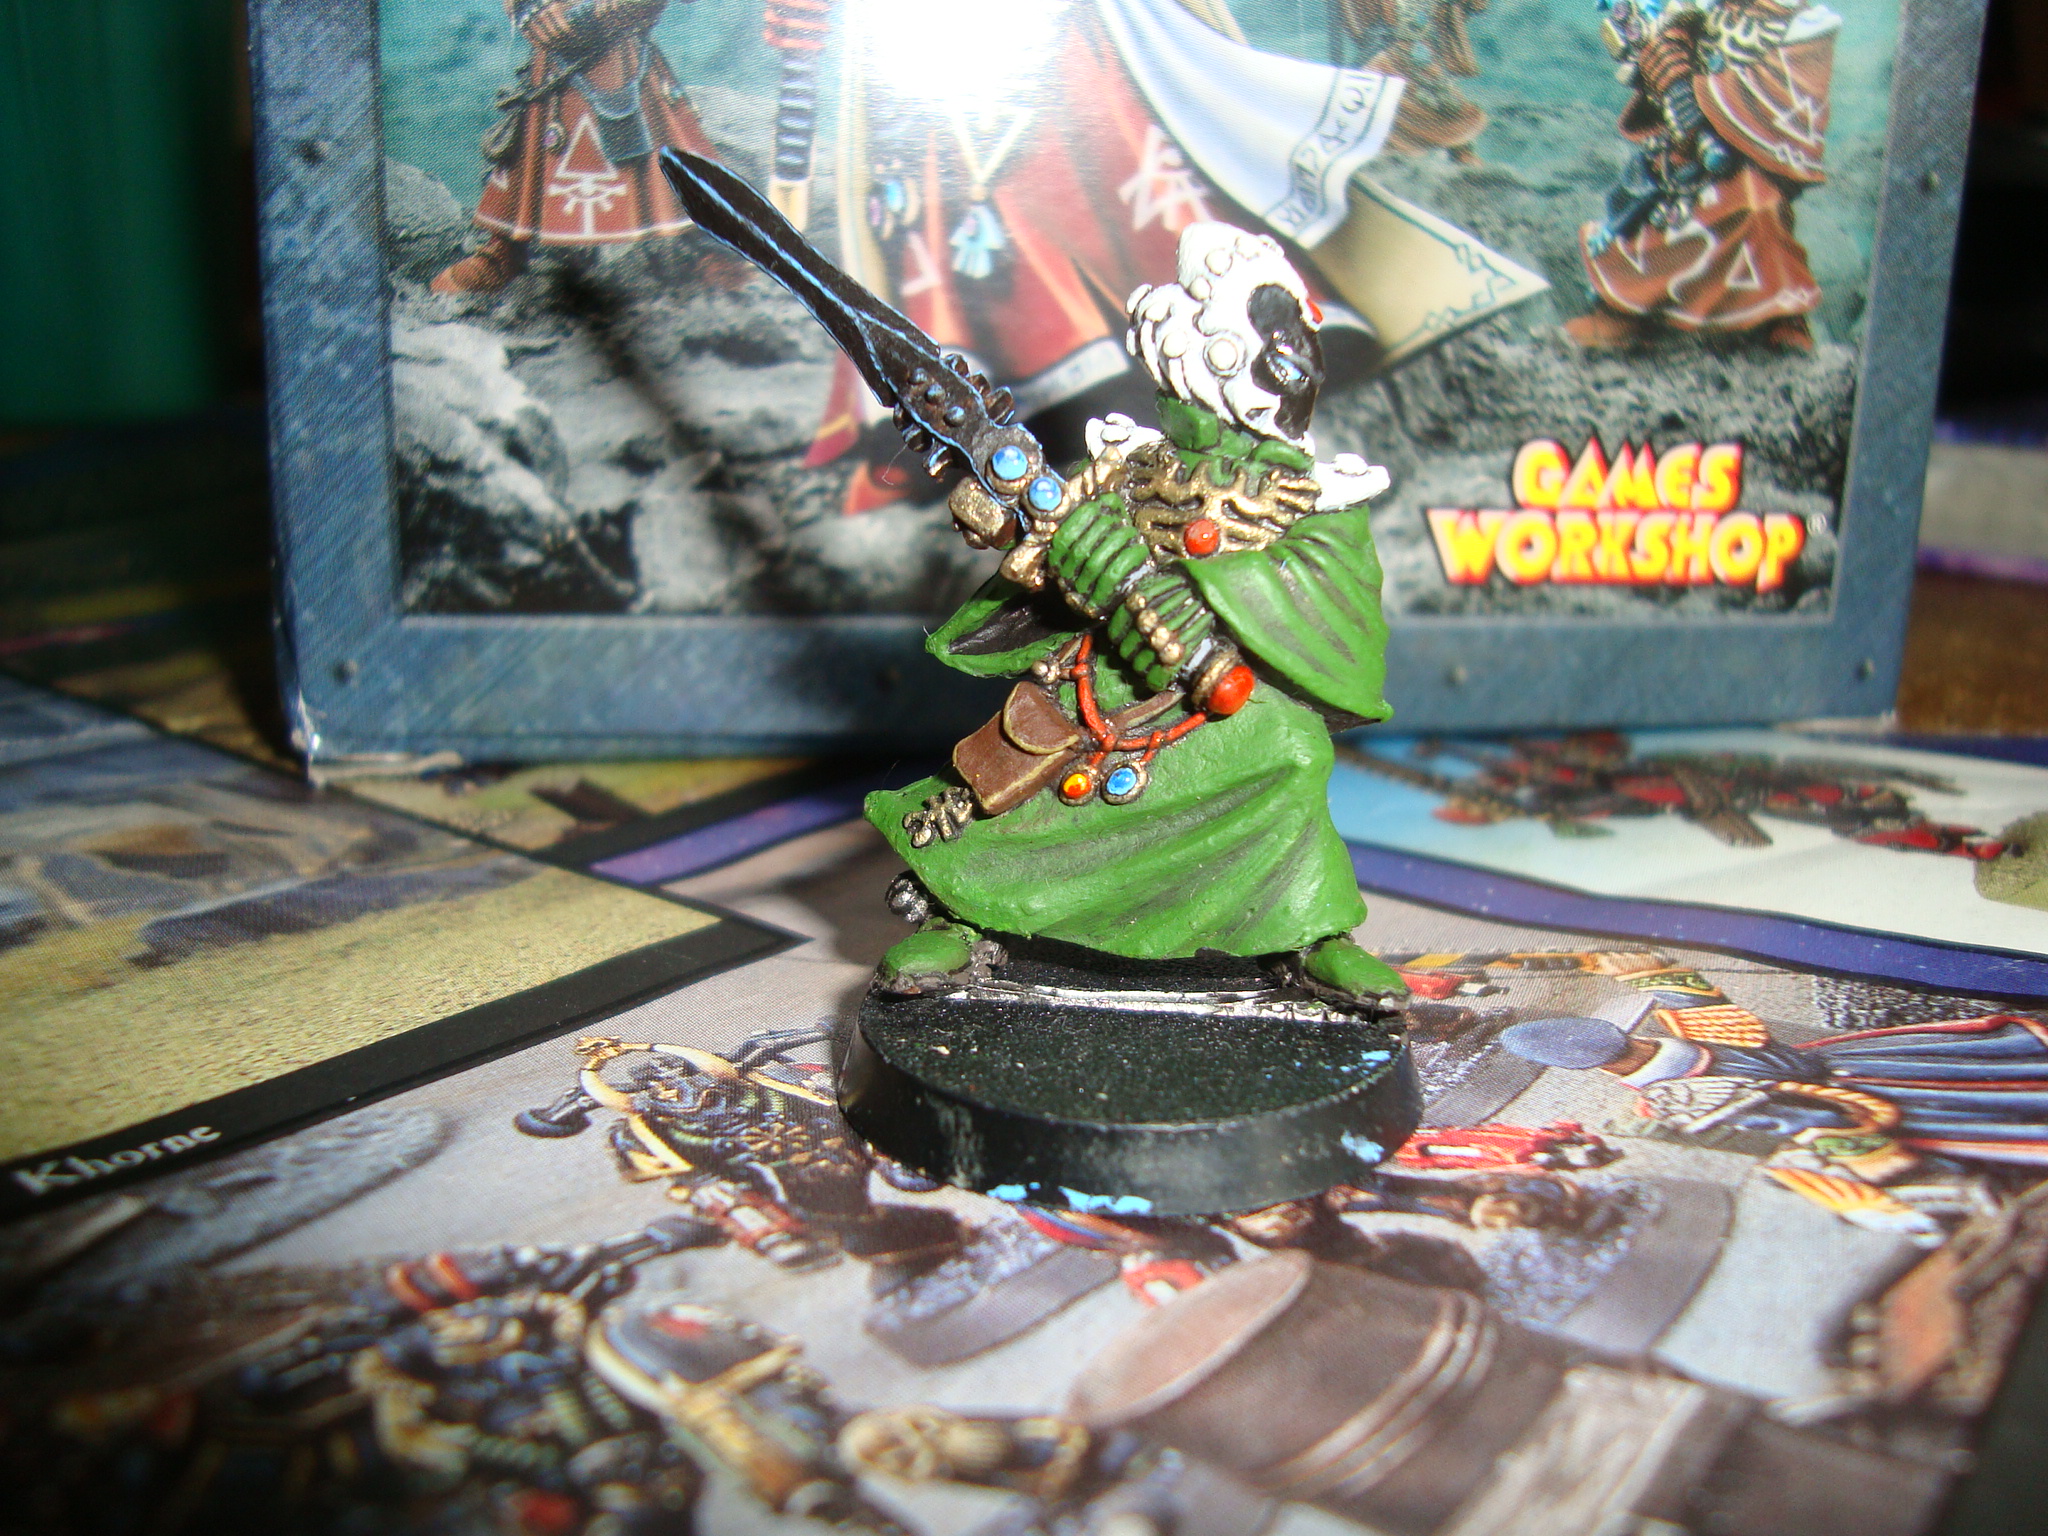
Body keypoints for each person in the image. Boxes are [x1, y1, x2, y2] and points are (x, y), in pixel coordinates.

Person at [866, 221, 1405, 1010]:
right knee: (1022, 770)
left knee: (1292, 753)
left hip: (1228, 698)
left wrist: (1213, 594)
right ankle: (965, 912)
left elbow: (1335, 603)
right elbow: (1045, 540)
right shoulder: (1129, 462)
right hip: (1100, 681)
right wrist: (1011, 524)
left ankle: (1310, 928)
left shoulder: (1316, 496)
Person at [1567, 0, 1838, 351]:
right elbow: (1669, 49)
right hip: (1686, 151)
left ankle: (1781, 317)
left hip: (1755, 157)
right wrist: (1665, 63)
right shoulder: (1702, 7)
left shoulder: (1808, 29)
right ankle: (1625, 313)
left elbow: (1791, 101)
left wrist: (1702, 96)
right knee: (1658, 205)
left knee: (1760, 208)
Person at [1499, 1013, 2048, 1170]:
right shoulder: (1692, 1025)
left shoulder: (1662, 1103)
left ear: (1589, 1069)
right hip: (1859, 1065)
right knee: (1987, 1063)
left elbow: (1806, 1125)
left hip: (1862, 1108)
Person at [431, 0, 722, 294]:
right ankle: (505, 250)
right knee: (530, 152)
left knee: (670, 155)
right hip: (560, 53)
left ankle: (705, 247)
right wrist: (531, 10)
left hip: (625, 50)